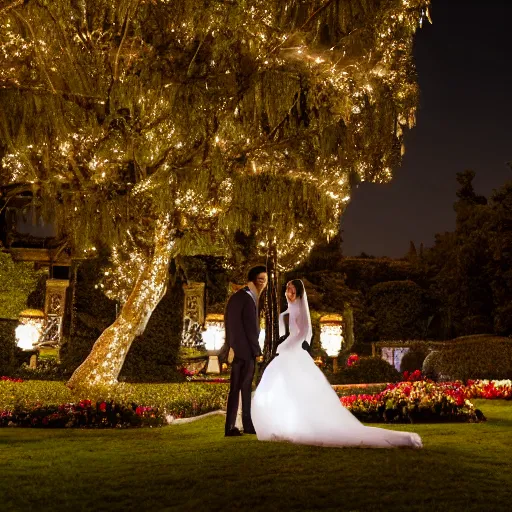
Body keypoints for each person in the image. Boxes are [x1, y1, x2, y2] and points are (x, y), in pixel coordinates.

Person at [252, 279, 422, 448]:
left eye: (292, 291)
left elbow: (304, 332)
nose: (289, 293)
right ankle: (281, 423)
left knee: (299, 390)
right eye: (288, 290)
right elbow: (283, 333)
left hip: (294, 353)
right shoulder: (285, 314)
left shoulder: (300, 311)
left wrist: (288, 344)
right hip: (285, 354)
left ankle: (303, 424)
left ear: (298, 293)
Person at [223, 265, 268, 437]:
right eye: (260, 280)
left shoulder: (237, 297)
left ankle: (233, 426)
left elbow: (230, 325)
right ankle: (244, 426)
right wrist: (257, 351)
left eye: (265, 281)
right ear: (252, 280)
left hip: (237, 349)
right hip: (246, 351)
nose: (263, 284)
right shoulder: (248, 298)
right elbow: (250, 328)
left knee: (236, 390)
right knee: (244, 389)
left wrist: (230, 346)